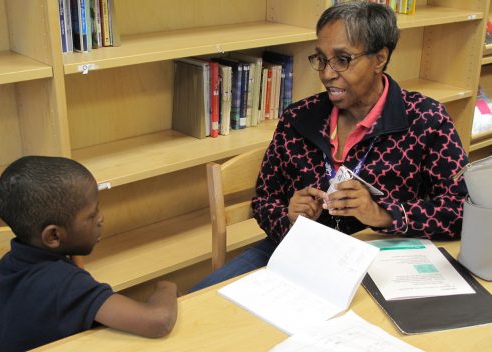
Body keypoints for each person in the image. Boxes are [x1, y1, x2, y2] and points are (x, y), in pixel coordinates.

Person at [192, 1, 468, 291]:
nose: (326, 73)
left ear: (380, 59)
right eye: (321, 59)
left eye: (343, 60)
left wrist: (383, 214)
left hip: (382, 259)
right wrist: (288, 216)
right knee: (202, 300)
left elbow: (460, 212)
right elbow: (264, 200)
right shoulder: (298, 118)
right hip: (298, 250)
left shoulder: (425, 119)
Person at [0, 156, 178, 352]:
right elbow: (159, 321)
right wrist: (166, 286)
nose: (101, 218)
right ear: (53, 236)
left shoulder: (8, 265)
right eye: (92, 214)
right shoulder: (63, 284)